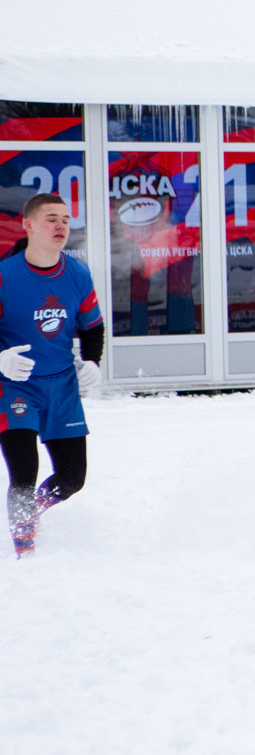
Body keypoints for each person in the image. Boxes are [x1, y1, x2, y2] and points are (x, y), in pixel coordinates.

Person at [3, 193, 103, 557]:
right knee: (24, 475)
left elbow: (92, 327)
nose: (61, 225)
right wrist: (1, 360)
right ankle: (25, 552)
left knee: (73, 479)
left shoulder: (76, 273)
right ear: (27, 225)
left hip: (61, 386)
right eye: (51, 218)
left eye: (65, 218)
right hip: (14, 388)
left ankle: (32, 514)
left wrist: (92, 361)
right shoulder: (4, 275)